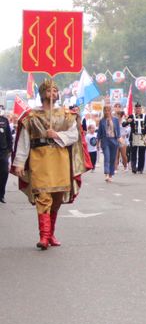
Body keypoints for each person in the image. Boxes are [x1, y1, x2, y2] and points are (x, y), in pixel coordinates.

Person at [10, 79, 90, 250]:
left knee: (57, 198)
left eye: (55, 90)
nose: (53, 93)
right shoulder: (31, 116)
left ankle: (51, 233)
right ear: (42, 94)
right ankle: (44, 236)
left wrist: (56, 135)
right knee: (43, 195)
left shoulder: (66, 114)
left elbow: (74, 135)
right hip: (39, 158)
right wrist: (19, 163)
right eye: (49, 91)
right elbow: (24, 141)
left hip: (60, 158)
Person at [126, 103, 146, 175]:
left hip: (142, 136)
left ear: (141, 109)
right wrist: (128, 121)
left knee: (141, 153)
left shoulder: (145, 117)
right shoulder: (131, 116)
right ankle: (134, 168)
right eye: (136, 108)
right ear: (135, 109)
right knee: (133, 153)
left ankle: (140, 168)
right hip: (134, 136)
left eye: (139, 108)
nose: (138, 110)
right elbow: (124, 124)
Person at [98, 105, 121, 182]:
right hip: (105, 141)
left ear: (111, 111)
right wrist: (98, 143)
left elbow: (118, 131)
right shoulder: (102, 121)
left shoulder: (115, 120)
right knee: (107, 157)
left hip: (114, 140)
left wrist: (119, 138)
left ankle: (111, 174)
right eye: (105, 110)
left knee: (112, 158)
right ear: (104, 111)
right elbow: (99, 133)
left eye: (108, 110)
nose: (107, 112)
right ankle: (106, 174)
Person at [0, 110, 13, 203]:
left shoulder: (4, 121)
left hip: (3, 152)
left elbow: (9, 136)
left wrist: (9, 150)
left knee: (4, 173)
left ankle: (1, 194)